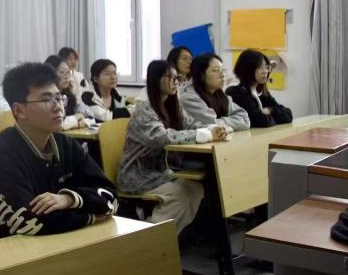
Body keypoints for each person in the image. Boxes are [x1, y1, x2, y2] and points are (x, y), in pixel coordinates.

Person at [0, 62, 118, 244]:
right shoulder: (1, 153)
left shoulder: (66, 145)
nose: (58, 107)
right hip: (2, 251)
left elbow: (111, 197)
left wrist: (69, 199)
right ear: (19, 110)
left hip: (56, 244)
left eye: (59, 98)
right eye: (46, 100)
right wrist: (91, 217)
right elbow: (31, 222)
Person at [118, 61, 226, 233]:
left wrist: (213, 129)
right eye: (170, 77)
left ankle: (163, 235)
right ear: (156, 80)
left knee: (196, 188)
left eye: (177, 77)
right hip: (137, 174)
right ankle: (149, 235)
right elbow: (162, 138)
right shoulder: (144, 108)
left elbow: (190, 124)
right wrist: (204, 135)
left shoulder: (172, 104)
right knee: (181, 195)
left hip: (161, 171)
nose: (176, 82)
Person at [180, 54, 251, 131]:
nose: (222, 75)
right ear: (202, 75)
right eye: (216, 70)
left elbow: (245, 119)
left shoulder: (220, 95)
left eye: (223, 70)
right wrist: (232, 124)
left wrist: (224, 124)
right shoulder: (188, 97)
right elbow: (212, 123)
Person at [227, 50, 293, 128]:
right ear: (248, 68)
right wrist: (272, 116)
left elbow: (288, 115)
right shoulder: (236, 93)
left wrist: (269, 110)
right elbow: (262, 121)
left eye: (266, 67)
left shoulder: (260, 92)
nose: (265, 71)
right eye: (260, 67)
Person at [42, 55, 92, 131]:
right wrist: (76, 118)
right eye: (62, 72)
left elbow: (91, 116)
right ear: (49, 74)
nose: (66, 76)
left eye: (68, 72)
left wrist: (78, 122)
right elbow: (56, 124)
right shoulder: (44, 97)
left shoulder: (68, 96)